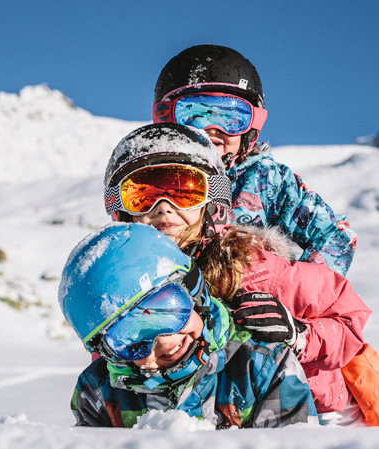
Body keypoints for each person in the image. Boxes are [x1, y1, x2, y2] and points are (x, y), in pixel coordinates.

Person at [103, 123, 379, 426]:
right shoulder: (127, 282)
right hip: (202, 422)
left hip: (311, 414)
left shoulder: (251, 268)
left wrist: (300, 335)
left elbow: (349, 320)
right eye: (142, 194)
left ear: (213, 202)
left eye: (184, 191)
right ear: (122, 210)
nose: (163, 206)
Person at [59, 222, 318, 428]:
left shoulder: (261, 366)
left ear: (194, 292)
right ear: (110, 354)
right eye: (131, 339)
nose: (162, 341)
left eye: (166, 311)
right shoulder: (99, 393)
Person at [150, 44, 356, 277]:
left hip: (252, 300)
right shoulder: (154, 177)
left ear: (251, 128)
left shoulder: (265, 180)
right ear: (167, 120)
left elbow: (335, 236)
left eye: (231, 117)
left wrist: (291, 291)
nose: (212, 129)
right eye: (194, 115)